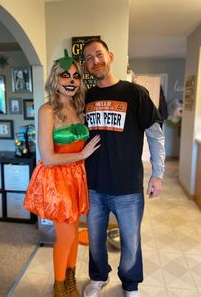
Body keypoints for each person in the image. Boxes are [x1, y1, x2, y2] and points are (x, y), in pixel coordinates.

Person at [82, 39, 165, 297]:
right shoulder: (86, 96)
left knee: (130, 242)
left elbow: (155, 134)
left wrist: (158, 174)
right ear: (86, 65)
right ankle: (98, 277)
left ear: (110, 56)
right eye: (89, 58)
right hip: (93, 185)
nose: (95, 61)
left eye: (99, 54)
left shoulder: (135, 93)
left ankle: (130, 285)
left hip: (127, 187)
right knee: (95, 240)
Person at [24, 49, 100, 297]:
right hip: (58, 181)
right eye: (65, 75)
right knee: (66, 237)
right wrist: (81, 155)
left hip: (77, 177)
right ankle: (59, 286)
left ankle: (70, 280)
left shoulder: (80, 108)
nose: (71, 81)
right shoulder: (47, 111)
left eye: (76, 77)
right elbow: (47, 157)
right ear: (55, 79)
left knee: (75, 233)